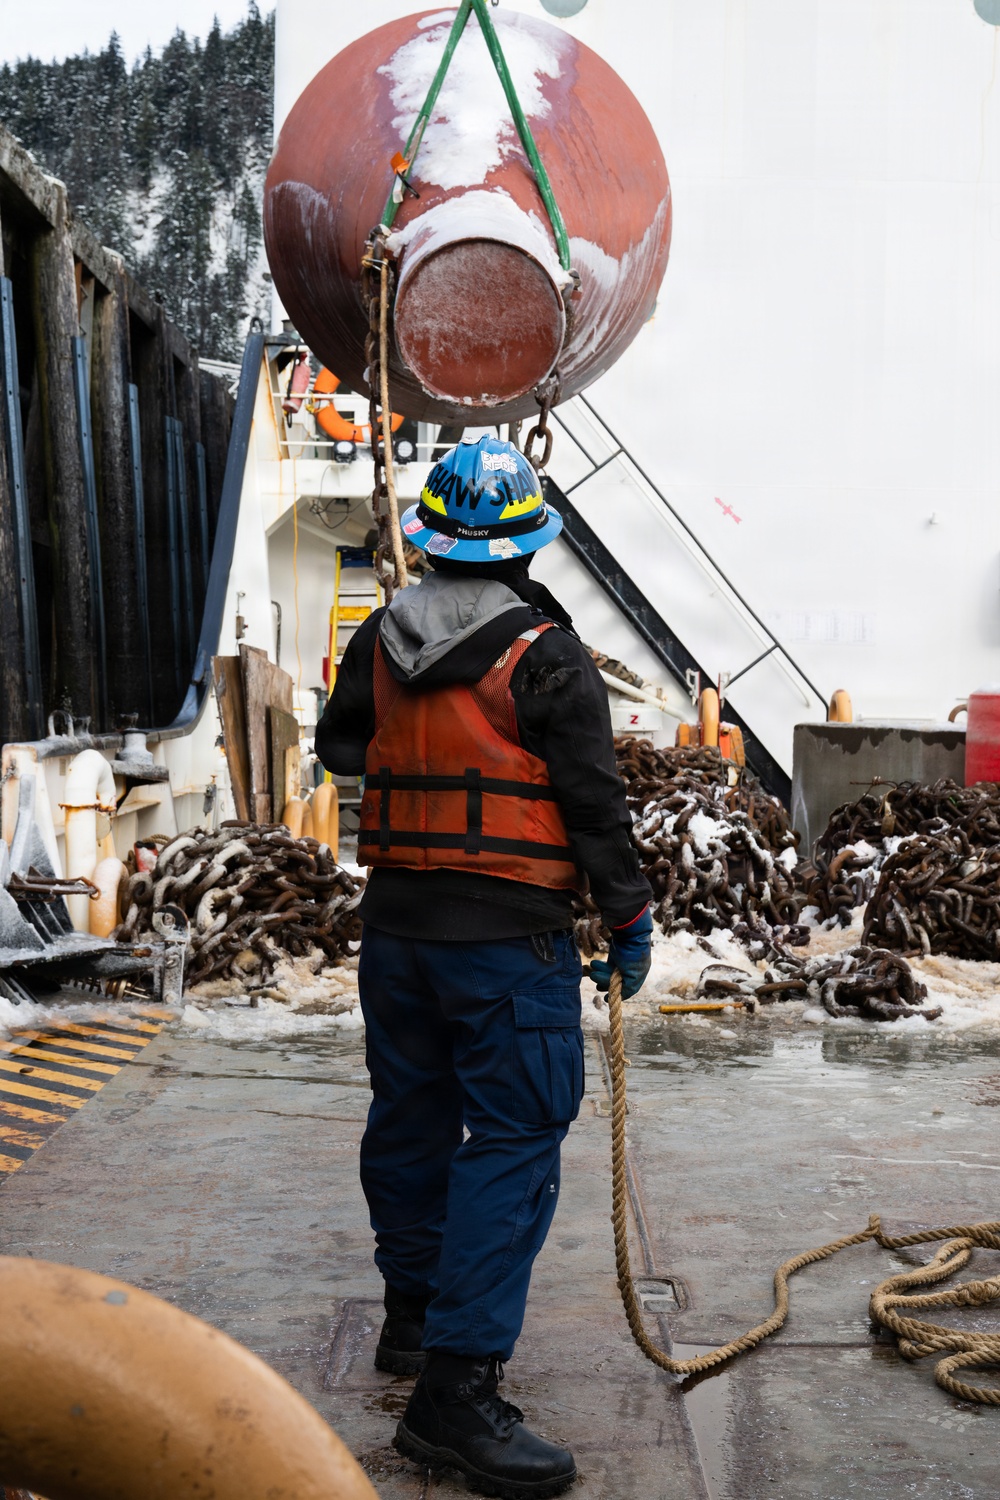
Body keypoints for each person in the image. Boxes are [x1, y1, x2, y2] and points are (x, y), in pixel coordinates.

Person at [316, 435, 653, 1500]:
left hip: (400, 936)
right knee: (511, 1143)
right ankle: (455, 1398)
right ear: (525, 542)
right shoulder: (548, 657)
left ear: (429, 539)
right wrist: (630, 917)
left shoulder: (379, 635)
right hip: (508, 947)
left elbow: (337, 749)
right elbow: (593, 805)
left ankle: (414, 1321)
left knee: (410, 1119)